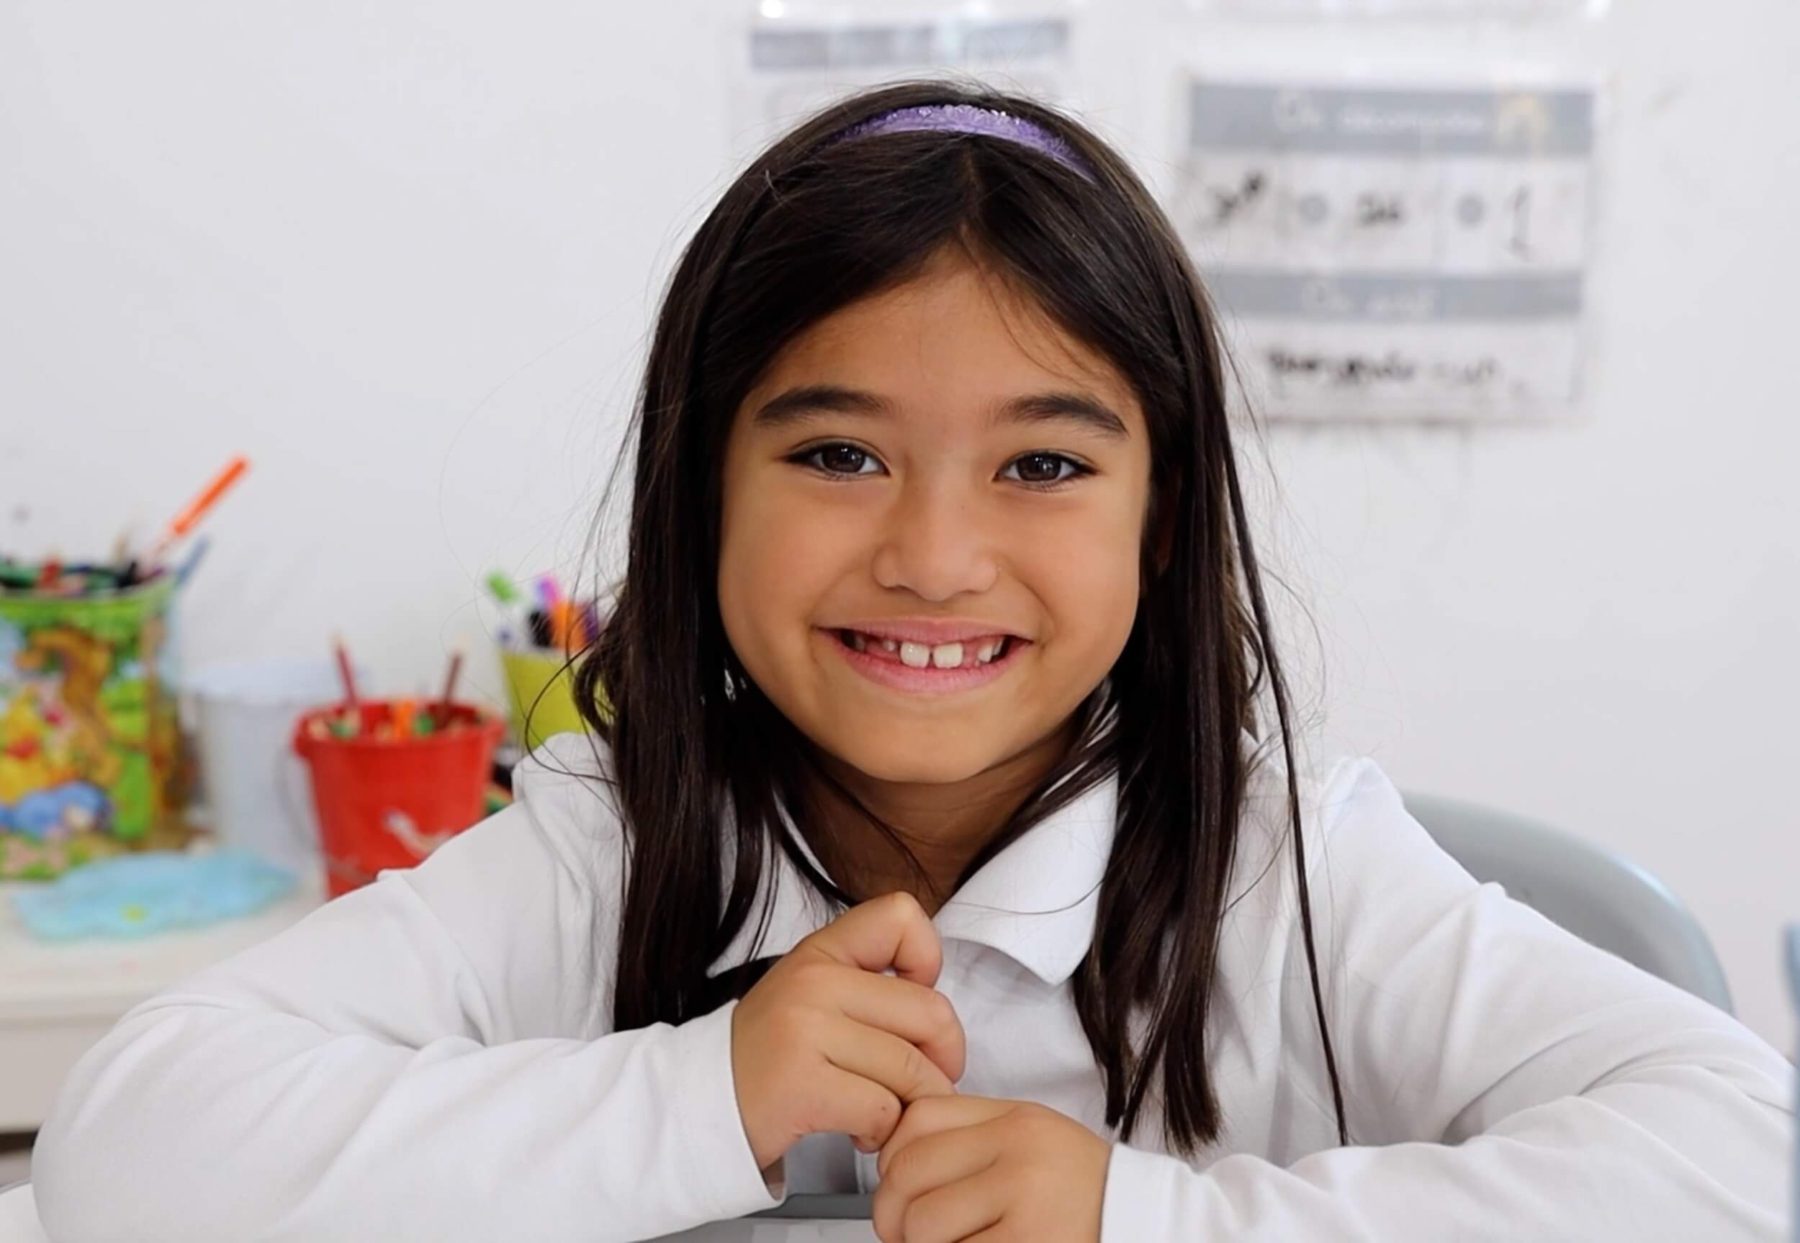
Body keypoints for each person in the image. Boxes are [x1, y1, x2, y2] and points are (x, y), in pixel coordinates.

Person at [31, 80, 1791, 1242]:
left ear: (1161, 524)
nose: (937, 558)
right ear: (697, 498)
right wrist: (696, 1092)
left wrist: (1148, 1219)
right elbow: (125, 1162)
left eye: (1043, 465)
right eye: (835, 453)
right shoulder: (609, 844)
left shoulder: (1291, 871)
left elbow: (1740, 1149)